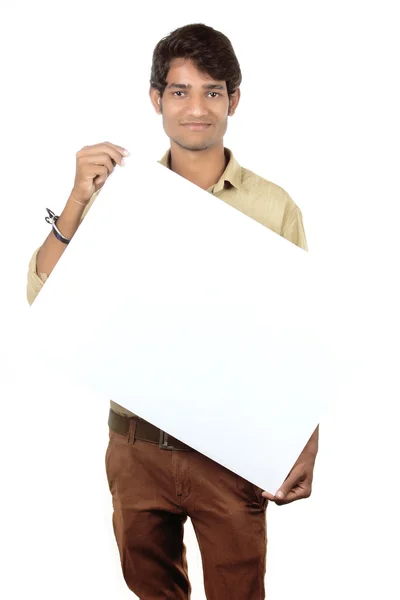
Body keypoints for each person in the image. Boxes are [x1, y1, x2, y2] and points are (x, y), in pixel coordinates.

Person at [26, 22, 319, 600]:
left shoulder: (273, 206)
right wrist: (77, 199)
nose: (197, 108)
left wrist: (305, 439)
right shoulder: (116, 195)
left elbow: (301, 333)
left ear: (234, 99)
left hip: (228, 450)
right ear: (156, 99)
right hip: (136, 447)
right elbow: (45, 298)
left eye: (213, 91)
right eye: (181, 91)